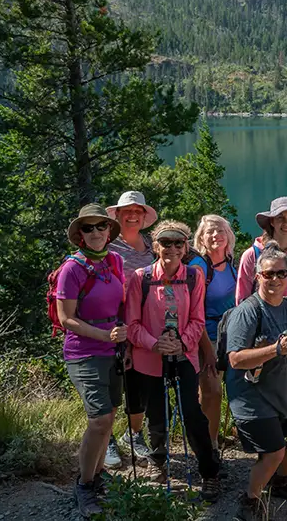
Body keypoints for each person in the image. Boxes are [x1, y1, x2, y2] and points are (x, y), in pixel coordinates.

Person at [125, 220, 221, 500]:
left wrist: (182, 342)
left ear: (186, 246)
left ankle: (209, 472)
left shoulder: (194, 277)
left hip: (183, 357)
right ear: (156, 247)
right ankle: (158, 461)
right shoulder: (140, 278)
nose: (172, 248)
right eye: (166, 243)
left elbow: (197, 319)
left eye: (178, 243)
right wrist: (155, 344)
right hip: (149, 358)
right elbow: (131, 324)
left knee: (192, 414)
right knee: (157, 413)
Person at [225, 241, 287, 521]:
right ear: (257, 276)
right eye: (268, 274)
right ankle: (250, 499)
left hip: (284, 391)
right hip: (252, 397)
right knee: (274, 452)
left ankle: (281, 481)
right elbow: (235, 359)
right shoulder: (248, 311)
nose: (275, 279)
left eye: (281, 274)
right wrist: (273, 350)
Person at [55, 204, 126, 518]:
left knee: (109, 417)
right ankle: (84, 485)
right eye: (89, 228)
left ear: (109, 230)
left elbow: (121, 303)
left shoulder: (115, 261)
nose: (96, 232)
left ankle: (97, 476)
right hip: (84, 353)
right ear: (80, 235)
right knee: (98, 420)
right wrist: (104, 336)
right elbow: (65, 318)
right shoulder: (72, 269)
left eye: (101, 226)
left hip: (113, 350)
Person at [105, 190, 157, 466]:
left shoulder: (150, 246)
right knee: (113, 385)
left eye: (138, 211)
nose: (133, 215)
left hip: (145, 326)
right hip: (115, 326)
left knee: (140, 384)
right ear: (119, 215)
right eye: (128, 211)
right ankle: (107, 439)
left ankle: (133, 434)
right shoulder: (109, 247)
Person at [187, 215, 237, 448]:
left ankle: (210, 435)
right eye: (210, 232)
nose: (216, 235)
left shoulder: (231, 265)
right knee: (212, 391)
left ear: (228, 236)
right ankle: (209, 446)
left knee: (218, 391)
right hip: (205, 337)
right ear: (201, 239)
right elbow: (193, 311)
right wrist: (207, 348)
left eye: (220, 231)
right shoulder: (198, 268)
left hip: (231, 336)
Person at [236, 197, 287, 324]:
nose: (286, 223)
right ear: (272, 222)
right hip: (261, 328)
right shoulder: (252, 255)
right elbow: (242, 300)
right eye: (280, 218)